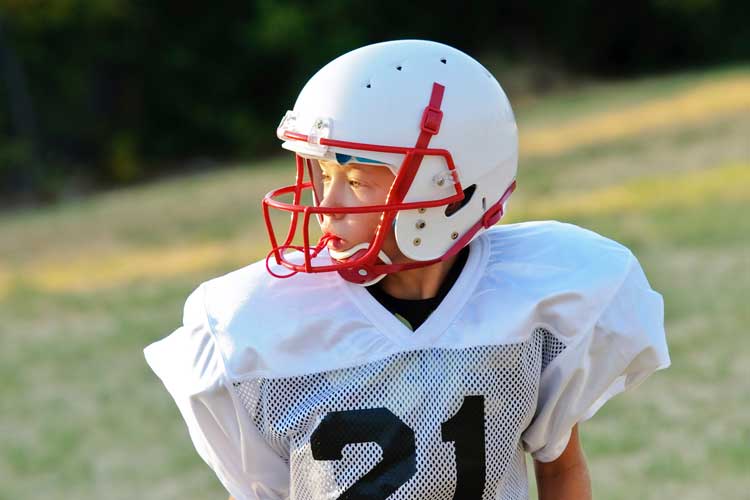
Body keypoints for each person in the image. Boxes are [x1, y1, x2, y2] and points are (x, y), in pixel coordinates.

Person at [144, 40, 670, 500]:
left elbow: (561, 466)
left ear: (447, 189)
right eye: (324, 173)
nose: (326, 204)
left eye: (356, 180)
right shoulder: (253, 324)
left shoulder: (536, 301)